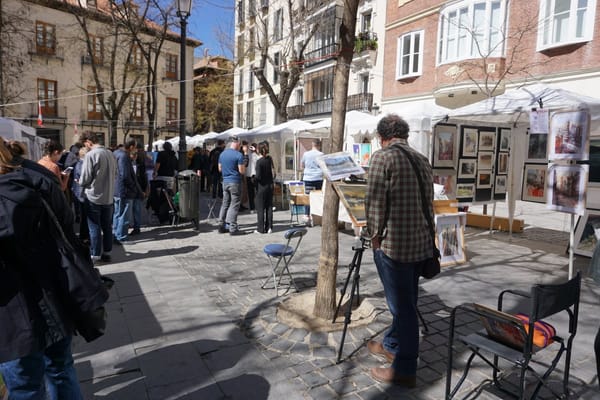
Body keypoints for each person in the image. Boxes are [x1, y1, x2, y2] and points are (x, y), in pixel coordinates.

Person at [0, 138, 84, 400]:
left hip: (13, 312)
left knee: (25, 386)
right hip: (55, 292)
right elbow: (68, 226)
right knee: (60, 369)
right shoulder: (38, 176)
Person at [364, 114, 434, 388]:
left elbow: (375, 205)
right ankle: (391, 343)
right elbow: (429, 204)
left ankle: (405, 369)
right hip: (420, 244)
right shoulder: (421, 159)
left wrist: (375, 236)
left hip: (395, 246)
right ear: (405, 135)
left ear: (382, 138)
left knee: (402, 308)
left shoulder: (383, 158)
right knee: (407, 301)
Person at [79, 132, 117, 263]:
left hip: (94, 196)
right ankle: (107, 252)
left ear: (88, 141)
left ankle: (95, 254)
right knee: (107, 226)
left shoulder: (91, 155)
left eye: (85, 144)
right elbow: (116, 174)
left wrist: (79, 181)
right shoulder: (111, 154)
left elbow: (85, 178)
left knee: (94, 226)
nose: (86, 147)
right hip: (108, 196)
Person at [112, 140, 142, 244]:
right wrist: (133, 186)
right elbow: (125, 175)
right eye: (135, 148)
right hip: (124, 190)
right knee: (124, 214)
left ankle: (115, 235)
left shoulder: (116, 153)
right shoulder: (124, 156)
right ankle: (121, 237)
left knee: (117, 213)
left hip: (116, 189)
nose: (136, 150)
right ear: (131, 147)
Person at [217, 136, 246, 235]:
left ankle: (221, 225)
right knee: (234, 204)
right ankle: (232, 228)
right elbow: (242, 171)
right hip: (235, 181)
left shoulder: (222, 154)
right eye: (240, 144)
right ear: (237, 143)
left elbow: (219, 169)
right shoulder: (239, 155)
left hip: (225, 181)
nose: (240, 146)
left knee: (225, 203)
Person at [301, 139, 324, 225]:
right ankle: (316, 216)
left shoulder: (306, 154)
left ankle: (307, 215)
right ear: (319, 145)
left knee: (308, 197)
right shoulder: (321, 154)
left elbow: (302, 165)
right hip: (318, 177)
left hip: (308, 178)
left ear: (312, 144)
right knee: (318, 197)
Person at [254, 141, 275, 234]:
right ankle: (269, 227)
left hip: (261, 187)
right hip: (270, 185)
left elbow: (258, 176)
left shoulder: (259, 162)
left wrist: (253, 179)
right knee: (269, 207)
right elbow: (273, 173)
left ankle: (260, 228)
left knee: (260, 208)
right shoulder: (269, 159)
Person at [72, 146, 90, 242]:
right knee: (86, 217)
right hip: (83, 194)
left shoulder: (79, 163)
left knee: (84, 216)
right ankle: (85, 236)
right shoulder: (83, 164)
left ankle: (84, 236)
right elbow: (83, 179)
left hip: (80, 193)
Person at [131, 147, 148, 236]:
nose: (134, 156)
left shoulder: (140, 165)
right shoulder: (128, 164)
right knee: (133, 209)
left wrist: (144, 190)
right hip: (131, 190)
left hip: (138, 190)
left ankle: (137, 227)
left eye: (135, 155)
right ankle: (133, 226)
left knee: (136, 209)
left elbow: (144, 178)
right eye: (133, 155)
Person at [245, 143, 258, 212]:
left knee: (250, 193)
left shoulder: (247, 156)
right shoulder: (256, 156)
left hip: (248, 176)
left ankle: (252, 208)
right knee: (258, 192)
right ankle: (258, 206)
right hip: (255, 175)